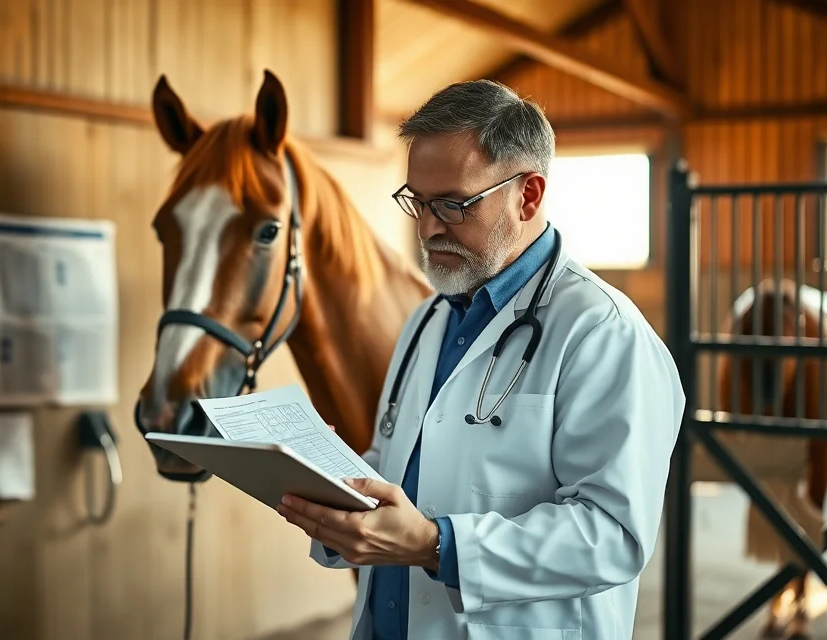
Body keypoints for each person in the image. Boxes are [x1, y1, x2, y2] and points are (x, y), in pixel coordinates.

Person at [276, 79, 685, 639]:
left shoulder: (601, 333)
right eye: (417, 201)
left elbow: (612, 537)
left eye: (452, 204)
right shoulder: (427, 321)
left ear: (529, 195)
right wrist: (334, 482)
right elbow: (400, 466)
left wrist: (434, 544)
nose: (426, 227)